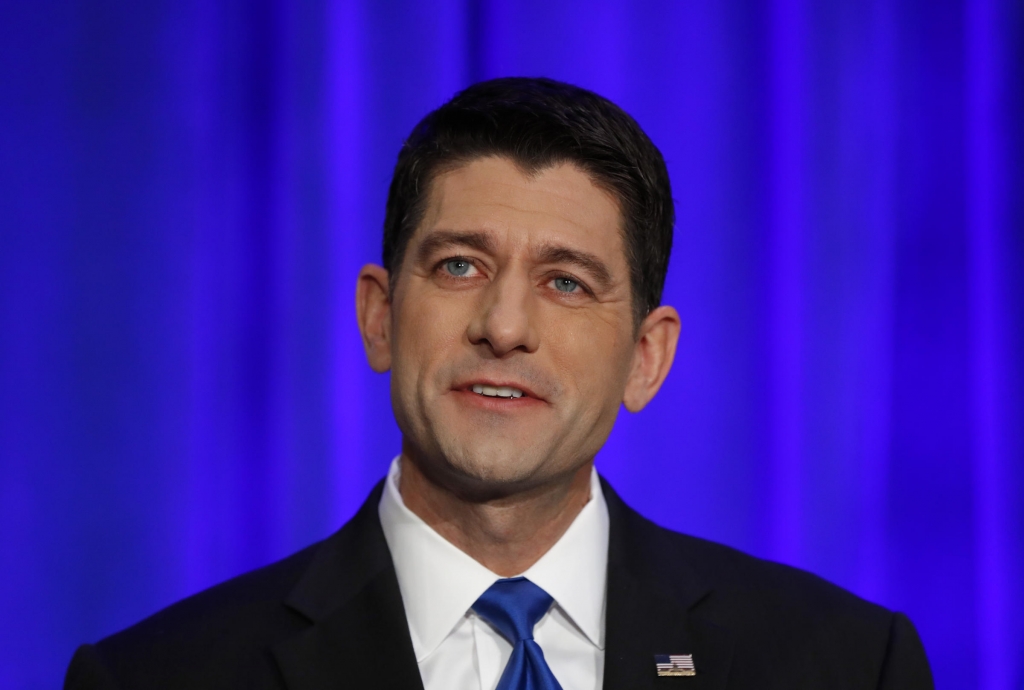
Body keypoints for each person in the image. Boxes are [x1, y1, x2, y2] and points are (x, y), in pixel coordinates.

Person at [65, 77, 933, 690]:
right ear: (379, 315)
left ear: (646, 358)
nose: (504, 326)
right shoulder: (156, 677)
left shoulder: (849, 665)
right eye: (457, 265)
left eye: (566, 282)